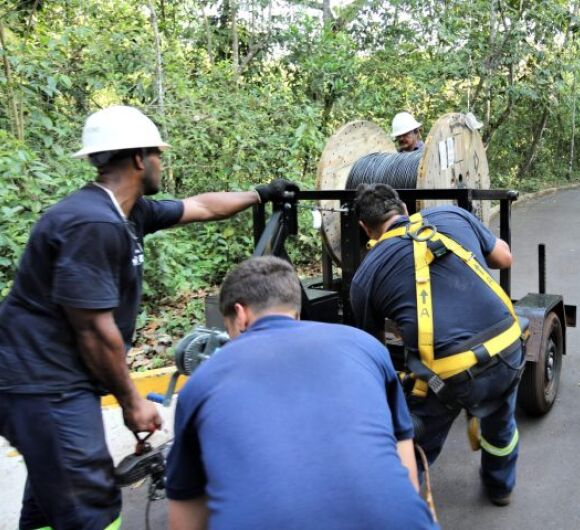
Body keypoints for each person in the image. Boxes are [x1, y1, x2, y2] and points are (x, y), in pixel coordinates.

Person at [0, 105, 295, 530]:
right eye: (158, 153)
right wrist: (132, 402)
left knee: (50, 504)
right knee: (93, 509)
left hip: (50, 383)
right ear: (140, 158)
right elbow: (95, 331)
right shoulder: (91, 222)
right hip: (44, 386)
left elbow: (201, 207)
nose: (161, 161)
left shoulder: (129, 213)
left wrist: (262, 194)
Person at [165, 256, 437, 530]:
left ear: (241, 315)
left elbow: (185, 521)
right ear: (295, 312)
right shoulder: (366, 346)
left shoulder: (203, 381)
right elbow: (407, 473)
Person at [349, 183, 523, 506]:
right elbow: (504, 257)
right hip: (509, 346)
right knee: (501, 421)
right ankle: (500, 488)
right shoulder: (452, 214)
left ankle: (406, 510)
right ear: (403, 207)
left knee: (414, 446)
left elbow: (373, 357)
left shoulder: (366, 275)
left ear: (365, 229)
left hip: (447, 378)